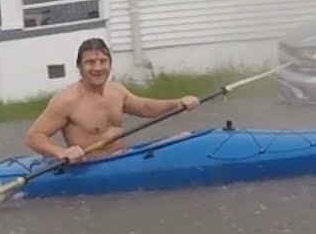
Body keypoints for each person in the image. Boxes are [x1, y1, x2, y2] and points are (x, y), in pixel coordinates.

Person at [25, 37, 200, 162]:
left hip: (122, 157)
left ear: (110, 64)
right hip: (90, 167)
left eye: (103, 61)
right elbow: (34, 136)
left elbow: (145, 107)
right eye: (90, 62)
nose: (98, 67)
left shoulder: (116, 90)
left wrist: (178, 103)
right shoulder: (67, 100)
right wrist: (61, 152)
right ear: (79, 66)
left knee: (184, 137)